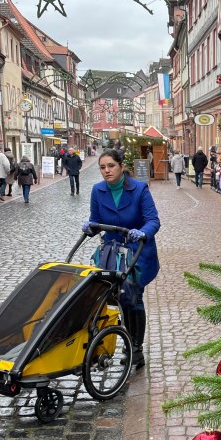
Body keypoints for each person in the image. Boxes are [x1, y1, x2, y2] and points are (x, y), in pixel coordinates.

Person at [83, 148, 160, 369]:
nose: (107, 171)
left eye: (111, 166)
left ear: (121, 166)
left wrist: (142, 232)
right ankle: (126, 339)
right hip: (113, 254)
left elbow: (153, 220)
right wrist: (90, 227)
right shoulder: (98, 191)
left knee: (133, 297)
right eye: (102, 167)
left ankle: (135, 348)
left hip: (137, 252)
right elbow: (96, 220)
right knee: (120, 298)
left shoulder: (139, 189)